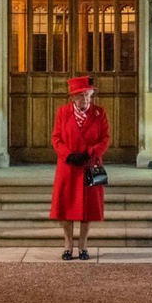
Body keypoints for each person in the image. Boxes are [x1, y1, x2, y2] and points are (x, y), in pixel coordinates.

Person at [49, 76, 110, 261]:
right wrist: (68, 155)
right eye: (81, 96)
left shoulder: (100, 113)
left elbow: (105, 139)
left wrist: (90, 152)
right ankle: (68, 244)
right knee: (66, 206)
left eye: (88, 95)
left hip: (91, 165)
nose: (85, 99)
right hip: (68, 166)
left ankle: (83, 245)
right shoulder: (62, 112)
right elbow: (56, 138)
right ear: (72, 97)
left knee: (89, 207)